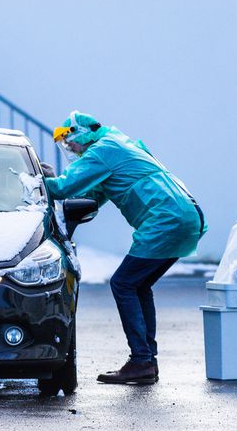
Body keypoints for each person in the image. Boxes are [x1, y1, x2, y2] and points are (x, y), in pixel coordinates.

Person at [41, 111, 206, 385]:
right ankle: (146, 361)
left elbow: (63, 188)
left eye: (70, 143)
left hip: (166, 219)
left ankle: (141, 360)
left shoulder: (103, 150)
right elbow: (92, 195)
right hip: (183, 215)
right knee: (138, 285)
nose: (69, 149)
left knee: (123, 283)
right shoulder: (117, 144)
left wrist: (37, 180)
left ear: (83, 133)